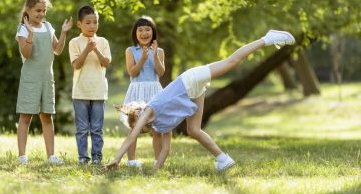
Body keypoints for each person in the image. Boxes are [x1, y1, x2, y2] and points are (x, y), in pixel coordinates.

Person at [108, 30, 295, 171]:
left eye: (141, 123)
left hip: (190, 79)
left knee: (231, 62)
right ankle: (223, 159)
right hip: (193, 91)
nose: (144, 126)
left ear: (140, 112)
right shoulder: (160, 125)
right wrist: (156, 171)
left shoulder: (149, 109)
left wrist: (116, 159)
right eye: (144, 129)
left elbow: (131, 137)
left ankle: (267, 38)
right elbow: (165, 150)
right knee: (193, 130)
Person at [16, 0, 73, 165]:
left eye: (43, 11)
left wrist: (63, 33)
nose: (41, 14)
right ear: (28, 10)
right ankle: (22, 156)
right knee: (26, 116)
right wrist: (30, 35)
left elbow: (57, 49)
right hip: (30, 78)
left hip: (47, 78)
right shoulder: (23, 29)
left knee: (47, 116)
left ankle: (51, 156)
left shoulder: (48, 27)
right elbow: (26, 52)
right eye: (37, 11)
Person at [120, 16, 171, 168]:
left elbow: (161, 72)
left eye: (147, 29)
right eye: (140, 30)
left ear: (153, 32)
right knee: (134, 126)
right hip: (137, 90)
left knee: (157, 129)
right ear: (135, 33)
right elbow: (132, 72)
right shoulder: (130, 51)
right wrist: (142, 58)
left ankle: (158, 160)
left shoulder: (159, 51)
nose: (144, 33)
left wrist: (154, 55)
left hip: (154, 91)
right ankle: (131, 160)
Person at [69, 5, 112, 165]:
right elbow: (76, 65)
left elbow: (105, 63)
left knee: (96, 128)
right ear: (79, 24)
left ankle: (97, 157)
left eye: (95, 22)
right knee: (81, 129)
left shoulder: (103, 42)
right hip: (80, 92)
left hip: (99, 91)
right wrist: (87, 49)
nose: (92, 26)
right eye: (88, 22)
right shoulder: (74, 42)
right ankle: (82, 157)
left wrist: (96, 50)